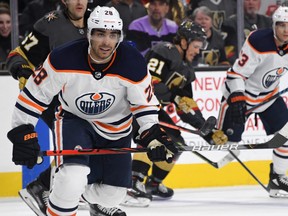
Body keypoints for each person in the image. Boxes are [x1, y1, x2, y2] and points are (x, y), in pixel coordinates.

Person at [6, 5, 178, 216]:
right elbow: (33, 96)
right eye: (100, 34)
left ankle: (74, 192)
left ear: (119, 36)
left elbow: (145, 105)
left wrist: (153, 136)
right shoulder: (62, 58)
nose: (106, 42)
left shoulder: (133, 63)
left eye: (113, 35)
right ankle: (63, 195)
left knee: (114, 195)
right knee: (71, 179)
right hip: (74, 120)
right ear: (89, 34)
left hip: (117, 128)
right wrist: (23, 132)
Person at [6, 0, 125, 215]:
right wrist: (24, 71)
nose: (79, 1)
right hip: (56, 101)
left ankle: (54, 190)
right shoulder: (49, 24)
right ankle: (46, 188)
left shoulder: (98, 20)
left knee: (96, 145)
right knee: (77, 151)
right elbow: (17, 55)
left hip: (91, 98)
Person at [122, 20, 228, 207]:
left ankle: (153, 184)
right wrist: (174, 96)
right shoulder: (164, 50)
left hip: (153, 109)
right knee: (150, 137)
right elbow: (149, 83)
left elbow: (186, 105)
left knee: (176, 144)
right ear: (184, 41)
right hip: (134, 106)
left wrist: (206, 131)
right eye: (196, 46)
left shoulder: (187, 70)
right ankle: (133, 184)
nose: (198, 51)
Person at [217, 6, 288, 198]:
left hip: (268, 97)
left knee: (286, 134)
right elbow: (235, 74)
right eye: (282, 25)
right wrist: (238, 97)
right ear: (274, 25)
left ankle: (277, 179)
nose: (286, 30)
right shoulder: (259, 41)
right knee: (226, 142)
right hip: (242, 96)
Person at [221, 0, 272, 64]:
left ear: (259, 3)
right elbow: (228, 51)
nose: (251, 2)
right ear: (240, 3)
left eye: (254, 0)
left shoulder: (268, 22)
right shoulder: (230, 23)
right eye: (247, 0)